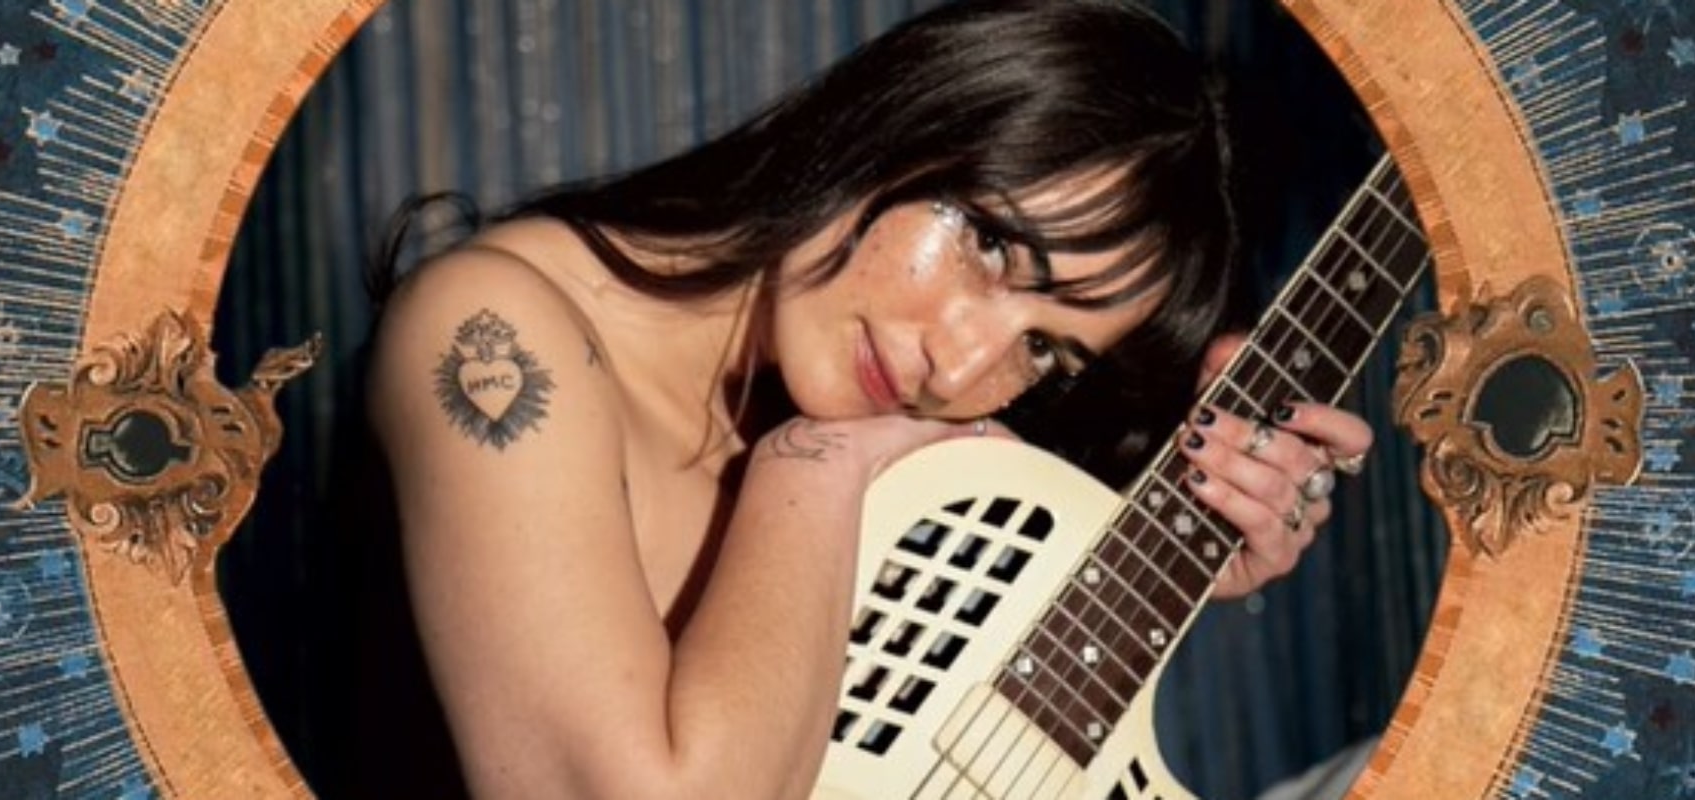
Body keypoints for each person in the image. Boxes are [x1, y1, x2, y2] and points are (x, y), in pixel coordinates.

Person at [361, 1, 1375, 797]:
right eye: (992, 245)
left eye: (1044, 350)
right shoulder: (492, 328)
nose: (961, 368)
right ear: (903, 120)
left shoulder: (882, 447)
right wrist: (815, 466)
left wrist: (1175, 554)